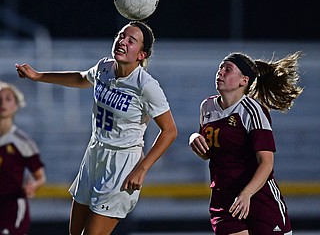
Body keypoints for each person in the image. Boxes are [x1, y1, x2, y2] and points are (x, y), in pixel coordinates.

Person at [16, 20, 177, 235]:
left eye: (132, 40)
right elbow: (81, 78)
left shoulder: (146, 86)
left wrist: (141, 169)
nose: (123, 41)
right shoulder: (105, 67)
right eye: (121, 35)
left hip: (122, 165)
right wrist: (38, 76)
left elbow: (170, 130)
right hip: (94, 155)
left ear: (142, 55)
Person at [189, 52, 303, 235]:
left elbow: (266, 163)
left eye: (228, 69)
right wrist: (194, 138)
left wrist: (247, 194)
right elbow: (208, 153)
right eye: (220, 68)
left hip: (258, 196)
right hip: (224, 198)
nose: (220, 72)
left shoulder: (252, 110)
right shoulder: (207, 107)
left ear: (243, 80)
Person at [0, 81, 46, 235]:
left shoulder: (22, 142)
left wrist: (32, 186)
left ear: (16, 105)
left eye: (8, 99)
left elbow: (40, 177)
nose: (3, 103)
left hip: (11, 207)